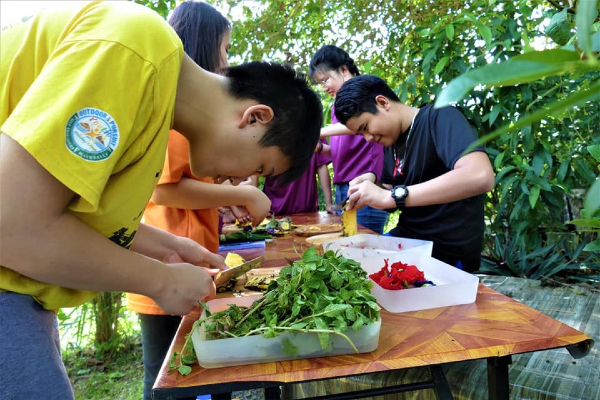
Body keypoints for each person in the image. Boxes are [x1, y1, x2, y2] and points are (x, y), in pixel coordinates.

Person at [0, 1, 322, 399]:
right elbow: (12, 225)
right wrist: (160, 281)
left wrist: (169, 246)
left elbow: (61, 212)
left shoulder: (156, 104)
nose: (242, 180)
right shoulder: (134, 46)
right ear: (255, 117)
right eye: (262, 167)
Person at [122, 3, 271, 399]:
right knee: (167, 376)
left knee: (210, 364)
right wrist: (241, 192)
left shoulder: (195, 113)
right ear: (204, 46)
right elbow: (165, 189)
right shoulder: (174, 108)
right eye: (224, 49)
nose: (226, 61)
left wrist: (224, 199)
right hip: (162, 262)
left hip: (191, 259)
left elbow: (191, 180)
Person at [334, 75, 495, 272]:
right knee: (343, 265)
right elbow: (390, 193)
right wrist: (372, 184)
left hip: (446, 253)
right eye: (361, 134)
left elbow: (480, 175)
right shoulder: (390, 143)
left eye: (365, 127)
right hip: (407, 240)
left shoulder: (439, 117)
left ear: (382, 102)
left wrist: (391, 197)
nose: (367, 138)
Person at [308, 45, 389, 233]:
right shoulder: (340, 103)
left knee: (365, 249)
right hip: (344, 188)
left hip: (366, 185)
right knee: (350, 246)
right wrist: (320, 148)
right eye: (320, 83)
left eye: (326, 79)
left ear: (343, 70)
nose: (324, 87)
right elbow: (340, 151)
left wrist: (318, 132)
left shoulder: (364, 89)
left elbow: (359, 123)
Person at [263, 139, 334, 215]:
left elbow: (321, 166)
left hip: (306, 210)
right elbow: (255, 166)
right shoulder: (269, 129)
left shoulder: (314, 130)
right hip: (273, 210)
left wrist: (329, 203)